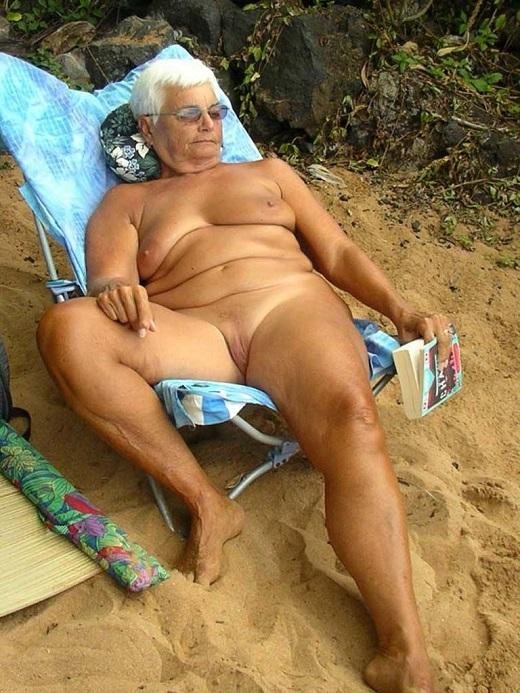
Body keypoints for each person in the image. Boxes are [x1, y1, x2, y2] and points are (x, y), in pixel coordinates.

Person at [37, 58, 450, 692]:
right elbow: (109, 277)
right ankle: (208, 503)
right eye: (189, 115)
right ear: (147, 128)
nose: (209, 126)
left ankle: (405, 652)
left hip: (289, 311)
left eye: (216, 112)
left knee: (353, 423)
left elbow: (336, 251)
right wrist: (118, 291)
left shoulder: (269, 174)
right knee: (67, 329)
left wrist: (400, 310)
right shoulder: (126, 203)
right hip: (194, 329)